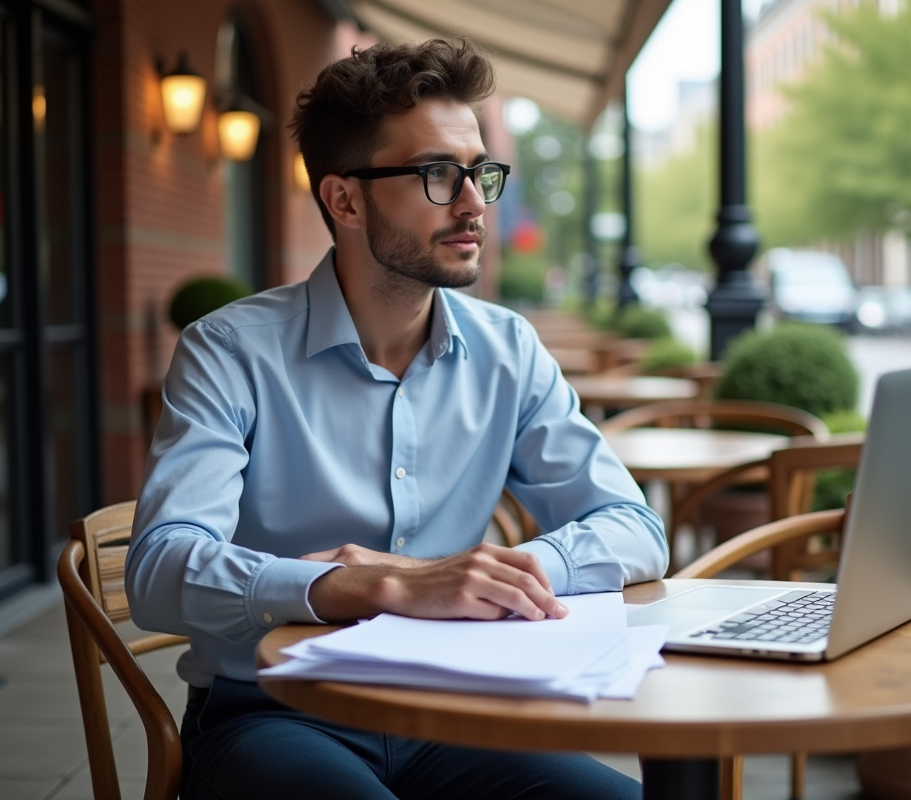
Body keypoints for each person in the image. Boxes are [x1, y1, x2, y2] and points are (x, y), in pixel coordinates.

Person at [126, 37, 667, 800]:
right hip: (273, 713)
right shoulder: (229, 350)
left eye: (479, 172)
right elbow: (157, 568)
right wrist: (368, 587)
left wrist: (498, 578)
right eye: (438, 175)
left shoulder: (509, 349)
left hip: (454, 709)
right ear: (344, 200)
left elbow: (635, 528)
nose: (475, 202)